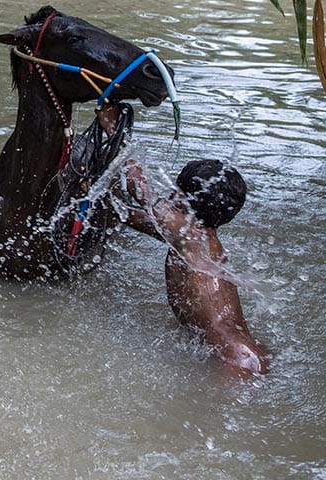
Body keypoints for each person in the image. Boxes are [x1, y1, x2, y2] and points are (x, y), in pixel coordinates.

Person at [98, 107, 269, 374]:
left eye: (175, 192)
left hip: (233, 361)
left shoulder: (187, 235)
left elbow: (141, 189)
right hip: (247, 352)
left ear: (182, 200)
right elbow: (132, 216)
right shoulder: (199, 239)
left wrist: (114, 130)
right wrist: (100, 198)